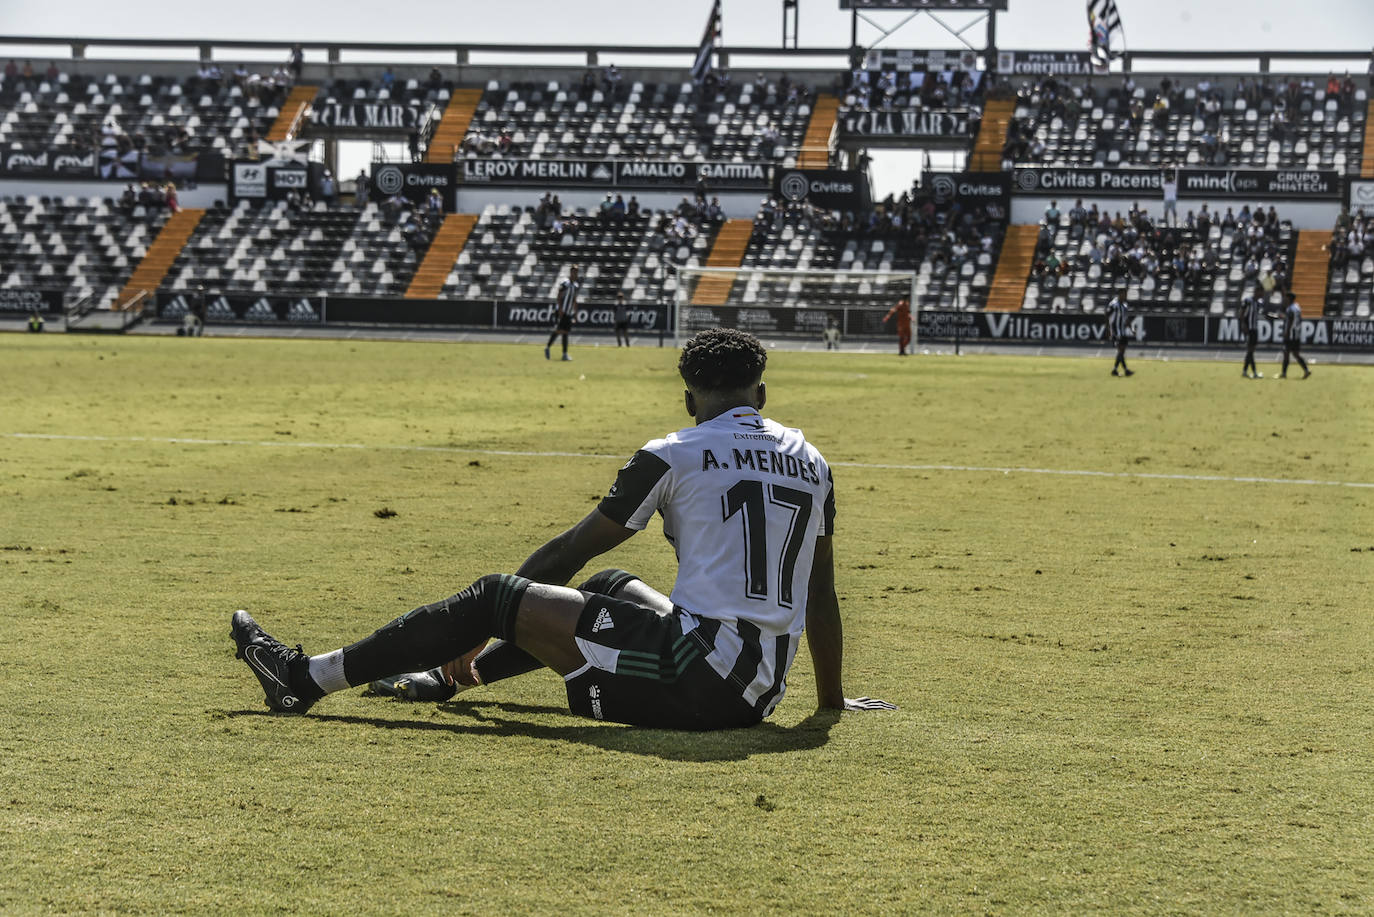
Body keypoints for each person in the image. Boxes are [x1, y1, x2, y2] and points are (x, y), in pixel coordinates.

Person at [230, 328, 894, 727]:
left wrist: (491, 619)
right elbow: (820, 591)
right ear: (763, 395)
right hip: (760, 686)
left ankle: (305, 678)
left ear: (690, 399)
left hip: (698, 680)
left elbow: (568, 548)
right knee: (611, 585)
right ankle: (447, 680)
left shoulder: (674, 451)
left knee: (499, 593)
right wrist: (831, 701)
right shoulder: (812, 460)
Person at [544, 265, 580, 361]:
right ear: (571, 272)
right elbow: (559, 296)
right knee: (562, 331)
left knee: (565, 332)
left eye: (577, 272)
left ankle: (564, 354)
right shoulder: (565, 283)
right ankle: (548, 347)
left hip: (568, 312)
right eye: (574, 272)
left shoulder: (576, 286)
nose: (576, 274)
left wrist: (576, 313)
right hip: (562, 311)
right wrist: (560, 309)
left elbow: (574, 300)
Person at [1280, 292, 1311, 379]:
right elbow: (1298, 319)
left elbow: (1290, 320)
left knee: (1286, 353)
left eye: (1285, 298)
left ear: (1289, 299)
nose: (1284, 300)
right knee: (1296, 354)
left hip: (1290, 335)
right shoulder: (1297, 307)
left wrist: (1287, 332)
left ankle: (1283, 373)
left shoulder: (1290, 309)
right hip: (1296, 335)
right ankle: (1306, 370)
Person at [1105, 290, 1134, 377]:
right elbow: (1107, 315)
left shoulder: (1125, 305)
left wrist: (1131, 329)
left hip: (1122, 331)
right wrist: (1108, 329)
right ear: (1119, 294)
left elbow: (1126, 319)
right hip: (1115, 331)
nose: (1124, 296)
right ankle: (1125, 370)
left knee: (1122, 351)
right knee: (1121, 350)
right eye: (1123, 294)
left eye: (1125, 295)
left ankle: (1115, 369)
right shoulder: (1113, 304)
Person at [1239, 286, 1265, 379]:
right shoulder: (1248, 301)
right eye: (1261, 292)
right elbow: (1241, 313)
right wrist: (1243, 325)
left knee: (1250, 351)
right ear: (1257, 291)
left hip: (1254, 329)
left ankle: (1246, 372)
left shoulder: (1258, 303)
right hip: (1249, 329)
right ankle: (1252, 372)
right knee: (1250, 351)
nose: (1262, 294)